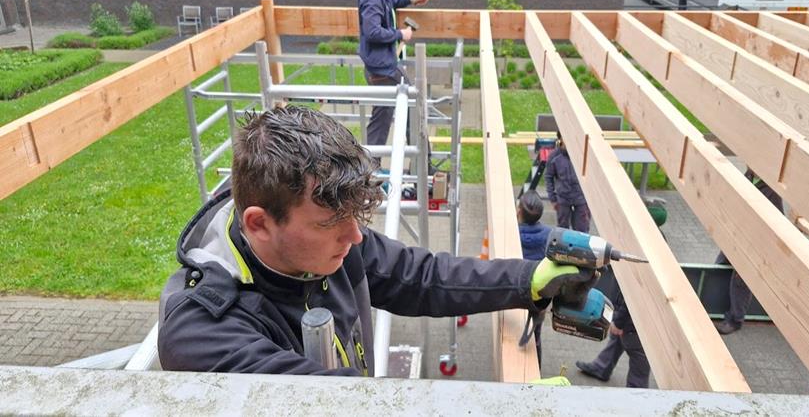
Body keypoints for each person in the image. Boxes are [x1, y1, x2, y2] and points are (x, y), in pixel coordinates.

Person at [157, 106, 596, 376]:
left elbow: (420, 276)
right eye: (331, 223)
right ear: (259, 224)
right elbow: (331, 404)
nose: (355, 237)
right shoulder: (203, 331)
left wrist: (526, 280)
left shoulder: (334, 242)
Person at [356, 0, 427, 152]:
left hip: (378, 66)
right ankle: (423, 165)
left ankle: (369, 170)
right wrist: (400, 34)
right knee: (413, 106)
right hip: (383, 69)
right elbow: (372, 32)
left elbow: (388, 1)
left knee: (381, 120)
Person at [715, 168, 784, 335]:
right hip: (739, 233)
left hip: (756, 240)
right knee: (719, 266)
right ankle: (713, 304)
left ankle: (735, 320)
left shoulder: (771, 191)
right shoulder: (749, 176)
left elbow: (778, 221)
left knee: (741, 278)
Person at [575, 269, 650, 388]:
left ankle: (636, 393)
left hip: (636, 322)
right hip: (627, 315)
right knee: (617, 340)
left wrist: (619, 322)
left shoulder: (639, 269)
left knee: (639, 356)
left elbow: (633, 298)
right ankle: (602, 367)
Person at [516, 190, 553, 364]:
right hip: (539, 297)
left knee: (511, 332)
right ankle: (535, 367)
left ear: (518, 212)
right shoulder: (549, 235)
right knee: (535, 335)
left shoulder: (511, 234)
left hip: (513, 292)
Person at [545, 131, 591, 233]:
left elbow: (592, 175)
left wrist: (590, 199)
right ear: (560, 139)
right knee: (562, 232)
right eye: (566, 138)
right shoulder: (554, 157)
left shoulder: (582, 153)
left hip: (581, 199)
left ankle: (581, 249)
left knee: (582, 231)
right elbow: (548, 177)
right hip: (563, 200)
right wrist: (553, 199)